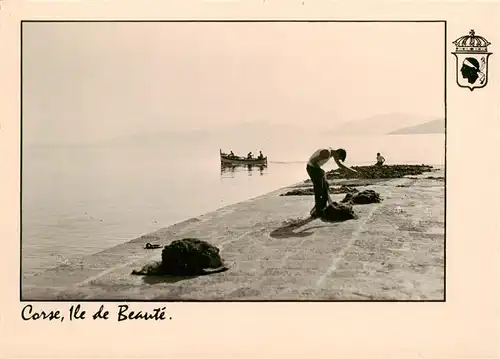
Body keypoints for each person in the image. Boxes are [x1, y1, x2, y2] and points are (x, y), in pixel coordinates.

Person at [307, 147, 358, 218]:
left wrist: (351, 170)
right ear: (338, 153)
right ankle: (318, 212)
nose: (337, 159)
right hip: (312, 169)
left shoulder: (333, 153)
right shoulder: (326, 153)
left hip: (316, 169)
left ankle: (321, 208)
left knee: (326, 186)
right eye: (339, 158)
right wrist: (320, 170)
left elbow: (339, 165)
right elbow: (312, 161)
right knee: (319, 190)